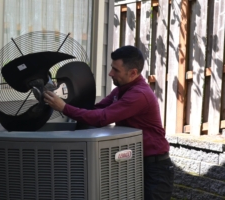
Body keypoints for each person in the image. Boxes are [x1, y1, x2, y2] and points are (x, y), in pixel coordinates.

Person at [44, 45, 174, 200]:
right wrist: (61, 95)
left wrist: (64, 107)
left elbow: (101, 118)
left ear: (133, 73)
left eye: (116, 70)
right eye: (112, 67)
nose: (110, 73)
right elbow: (95, 110)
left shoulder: (139, 95)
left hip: (155, 168)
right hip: (135, 162)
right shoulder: (121, 90)